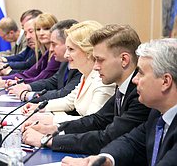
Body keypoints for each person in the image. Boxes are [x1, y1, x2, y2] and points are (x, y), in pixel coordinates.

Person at [22, 25, 151, 154]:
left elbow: (108, 137)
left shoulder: (140, 93)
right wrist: (52, 129)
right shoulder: (122, 85)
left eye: (100, 60)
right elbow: (97, 120)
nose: (95, 67)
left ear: (124, 60)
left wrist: (48, 140)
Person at [62, 38, 177, 166]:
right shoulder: (157, 114)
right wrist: (104, 160)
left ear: (166, 81)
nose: (135, 79)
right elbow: (131, 142)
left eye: (141, 73)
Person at [21, 21, 116, 125]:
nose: (66, 55)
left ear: (88, 51)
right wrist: (40, 107)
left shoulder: (103, 79)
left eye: (71, 49)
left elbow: (91, 122)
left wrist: (51, 120)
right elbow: (69, 101)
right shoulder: (87, 75)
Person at [7, 19, 82, 103]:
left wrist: (27, 95)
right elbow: (52, 81)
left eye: (54, 44)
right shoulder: (65, 61)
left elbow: (64, 94)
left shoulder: (81, 66)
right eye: (38, 29)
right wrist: (27, 87)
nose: (51, 49)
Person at [0, 13, 60, 86]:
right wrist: (3, 79)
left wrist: (7, 81)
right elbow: (30, 73)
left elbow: (41, 78)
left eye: (46, 29)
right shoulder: (46, 53)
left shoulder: (56, 54)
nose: (41, 33)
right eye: (38, 29)